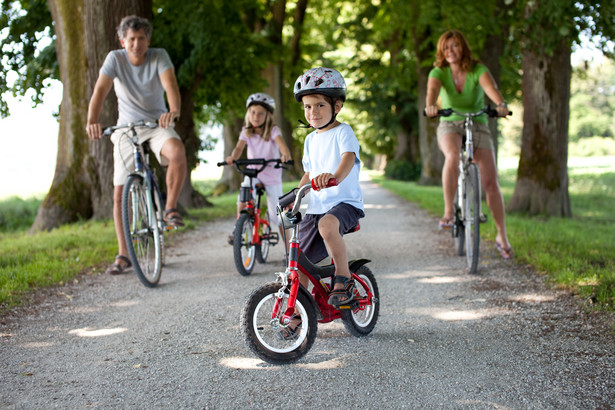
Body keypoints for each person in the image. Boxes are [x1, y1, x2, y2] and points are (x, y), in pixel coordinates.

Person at [86, 15, 187, 275]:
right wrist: (92, 121)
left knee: (176, 151)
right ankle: (123, 253)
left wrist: (173, 111)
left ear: (148, 40)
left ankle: (170, 208)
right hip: (125, 128)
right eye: (131, 39)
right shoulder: (114, 59)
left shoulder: (158, 56)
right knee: (119, 193)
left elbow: (170, 84)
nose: (136, 43)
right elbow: (99, 91)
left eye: (141, 38)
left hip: (157, 124)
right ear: (123, 41)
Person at [425, 29, 513, 259]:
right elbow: (432, 91)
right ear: (441, 52)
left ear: (462, 47)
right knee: (453, 156)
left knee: (491, 181)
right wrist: (431, 106)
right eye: (446, 48)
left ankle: (501, 235)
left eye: (454, 46)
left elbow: (491, 90)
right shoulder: (439, 71)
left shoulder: (478, 69)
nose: (450, 51)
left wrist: (501, 104)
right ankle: (448, 212)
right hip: (450, 123)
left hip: (477, 122)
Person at [293, 67, 365, 306]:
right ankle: (298, 311)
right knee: (299, 259)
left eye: (320, 105)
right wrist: (294, 197)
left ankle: (342, 277)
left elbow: (348, 159)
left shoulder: (343, 132)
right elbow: (309, 173)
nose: (313, 112)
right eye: (308, 106)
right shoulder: (310, 139)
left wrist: (334, 177)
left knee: (327, 225)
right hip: (317, 206)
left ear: (336, 107)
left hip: (344, 203)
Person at [225, 93, 292, 244]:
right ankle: (238, 228)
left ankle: (289, 251)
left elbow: (283, 147)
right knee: (243, 196)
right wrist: (232, 157)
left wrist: (285, 155)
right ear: (248, 114)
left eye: (260, 113)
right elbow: (237, 148)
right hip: (253, 172)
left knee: (277, 214)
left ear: (268, 115)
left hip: (271, 174)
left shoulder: (274, 131)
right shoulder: (246, 132)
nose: (256, 116)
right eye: (253, 112)